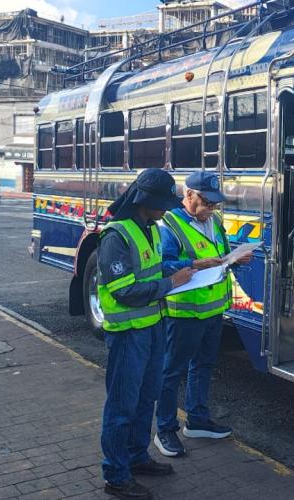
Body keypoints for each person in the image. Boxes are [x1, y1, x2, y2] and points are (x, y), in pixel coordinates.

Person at [97, 169, 195, 500]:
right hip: (127, 335)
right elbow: (124, 290)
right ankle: (116, 473)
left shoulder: (150, 228)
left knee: (145, 398)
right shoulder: (117, 235)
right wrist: (171, 284)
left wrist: (187, 266)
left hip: (151, 327)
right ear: (146, 201)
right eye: (163, 204)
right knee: (122, 406)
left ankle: (137, 457)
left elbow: (150, 267)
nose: (167, 210)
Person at [154, 171, 251, 457]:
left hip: (213, 310)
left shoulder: (215, 222)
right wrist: (195, 263)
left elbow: (221, 258)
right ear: (189, 195)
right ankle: (165, 430)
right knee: (172, 372)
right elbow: (161, 265)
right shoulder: (169, 224)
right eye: (207, 202)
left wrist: (235, 259)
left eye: (215, 203)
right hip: (184, 312)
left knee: (204, 366)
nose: (212, 209)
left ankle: (196, 420)